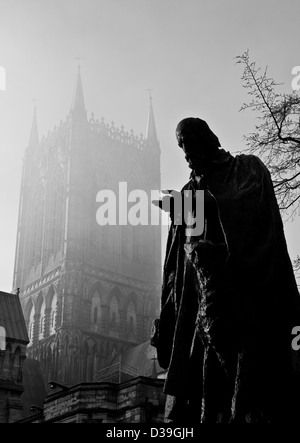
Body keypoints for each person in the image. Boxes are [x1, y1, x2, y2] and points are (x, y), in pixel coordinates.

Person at [151, 117, 300, 423]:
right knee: (203, 391)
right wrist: (168, 312)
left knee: (250, 386)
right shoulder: (190, 190)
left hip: (248, 295)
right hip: (202, 307)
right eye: (181, 147)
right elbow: (178, 263)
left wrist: (200, 204)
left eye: (190, 144)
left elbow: (249, 208)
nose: (186, 153)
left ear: (207, 139)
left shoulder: (246, 169)